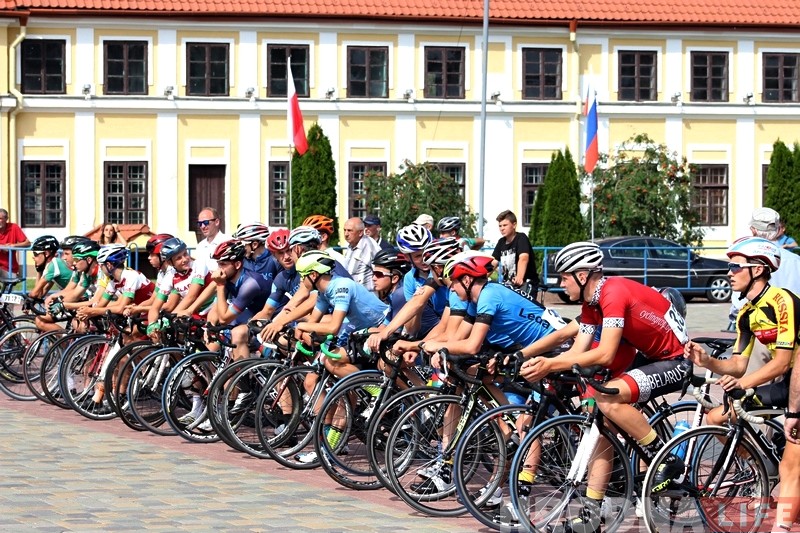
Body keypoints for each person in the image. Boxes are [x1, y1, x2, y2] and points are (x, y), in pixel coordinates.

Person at [520, 241, 689, 532]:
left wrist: (550, 365)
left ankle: (666, 458)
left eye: (563, 277)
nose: (561, 284)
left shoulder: (612, 293)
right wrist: (541, 362)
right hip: (648, 357)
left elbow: (606, 353)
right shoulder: (592, 303)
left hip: (674, 361)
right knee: (603, 430)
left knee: (607, 400)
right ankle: (591, 516)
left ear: (582, 276)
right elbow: (578, 351)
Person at [685, 237, 799, 530]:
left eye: (736, 267)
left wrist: (744, 384)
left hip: (794, 375)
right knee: (718, 416)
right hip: (792, 380)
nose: (729, 272)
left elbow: (782, 361)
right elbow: (737, 365)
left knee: (792, 466)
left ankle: (782, 526)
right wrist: (707, 361)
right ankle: (761, 468)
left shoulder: (781, 301)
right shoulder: (747, 314)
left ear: (758, 269)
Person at [492, 210, 538, 290]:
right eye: (500, 226)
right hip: (509, 286)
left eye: (505, 225)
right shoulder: (501, 242)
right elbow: (493, 262)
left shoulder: (521, 238)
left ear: (514, 225)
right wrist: (481, 277)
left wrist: (519, 277)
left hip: (526, 284)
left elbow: (523, 258)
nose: (502, 228)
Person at [342, 217, 381, 291]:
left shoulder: (370, 247)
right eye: (345, 230)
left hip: (367, 296)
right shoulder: (351, 246)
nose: (346, 234)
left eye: (350, 230)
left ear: (360, 233)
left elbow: (381, 274)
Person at [194, 207, 230, 271]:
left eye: (206, 222)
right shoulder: (200, 246)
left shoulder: (228, 242)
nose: (203, 226)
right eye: (200, 223)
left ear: (217, 222)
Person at [0, 208, 30, 278]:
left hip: (9, 267)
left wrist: (13, 245)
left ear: (6, 219)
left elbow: (28, 243)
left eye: (0, 218)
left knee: (9, 287)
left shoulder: (14, 227)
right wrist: (2, 247)